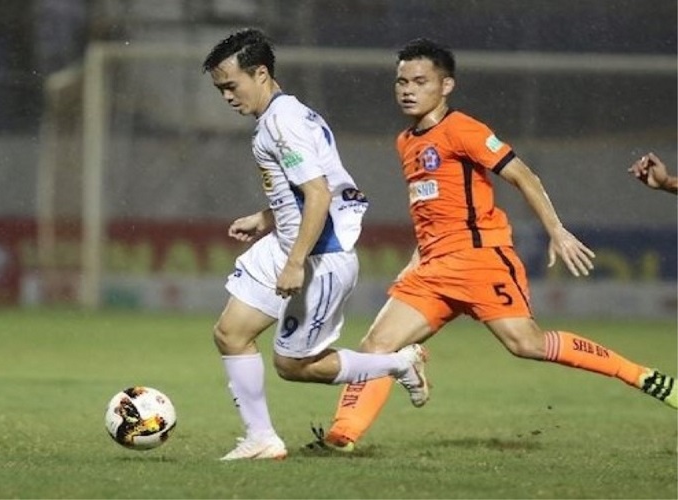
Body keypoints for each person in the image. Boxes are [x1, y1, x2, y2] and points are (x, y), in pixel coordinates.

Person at [307, 38, 678, 453]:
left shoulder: (463, 129)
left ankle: (643, 376)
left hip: (480, 260)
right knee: (377, 346)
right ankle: (342, 436)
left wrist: (556, 230)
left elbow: (524, 176)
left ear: (446, 86)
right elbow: (432, 210)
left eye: (420, 81)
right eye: (402, 82)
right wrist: (416, 259)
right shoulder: (406, 140)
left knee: (527, 344)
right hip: (432, 268)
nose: (408, 90)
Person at [201, 28, 430, 461]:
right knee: (231, 334)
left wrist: (295, 263)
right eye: (220, 89)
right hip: (289, 243)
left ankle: (400, 363)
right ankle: (261, 439)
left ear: (261, 73)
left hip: (319, 256)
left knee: (293, 366)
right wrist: (266, 218)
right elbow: (310, 190)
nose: (227, 96)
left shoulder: (282, 123)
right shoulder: (283, 115)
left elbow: (319, 194)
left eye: (231, 85)